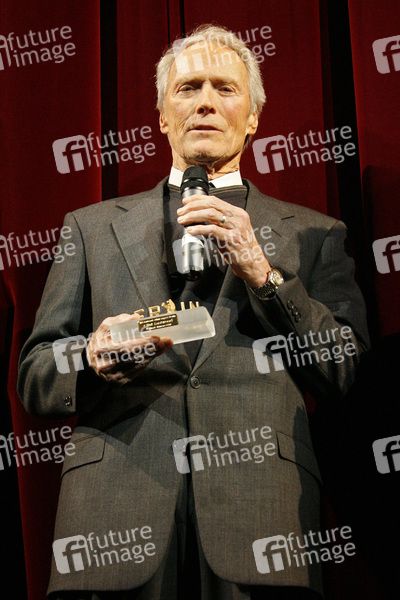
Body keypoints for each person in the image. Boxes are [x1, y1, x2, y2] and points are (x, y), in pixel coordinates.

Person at [18, 24, 370, 600]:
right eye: (188, 88)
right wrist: (89, 357)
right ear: (162, 116)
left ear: (253, 118)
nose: (205, 101)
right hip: (113, 516)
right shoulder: (89, 228)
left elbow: (342, 369)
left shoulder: (316, 233)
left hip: (261, 517)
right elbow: (36, 375)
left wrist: (263, 273)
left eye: (225, 88)